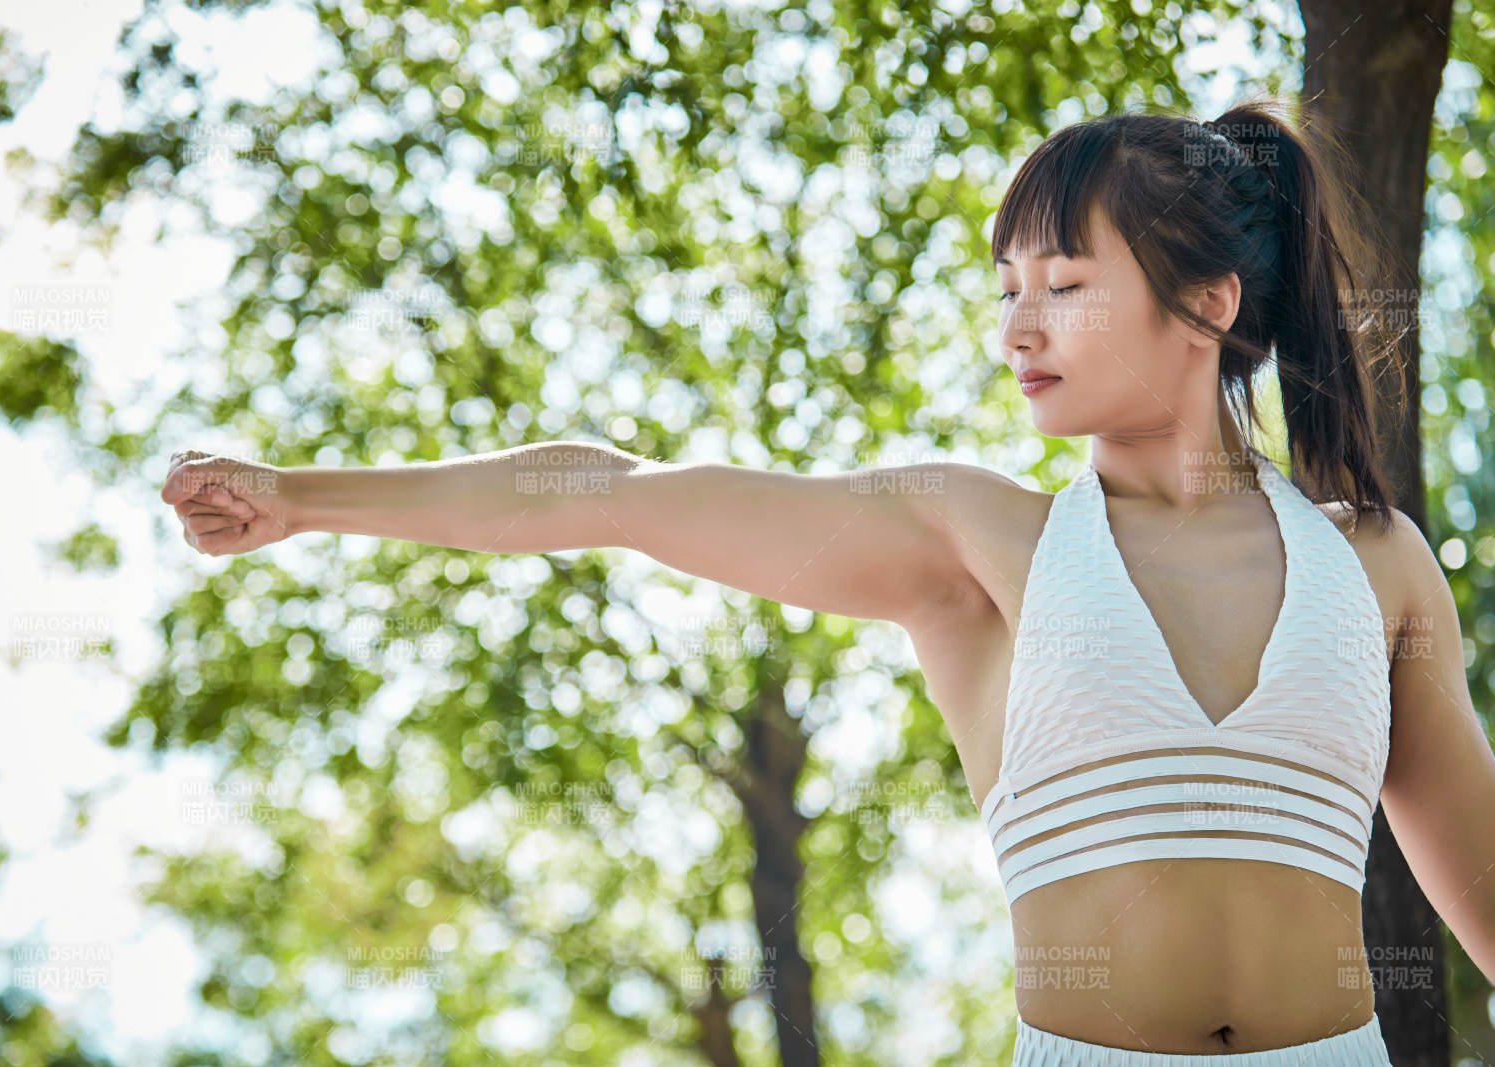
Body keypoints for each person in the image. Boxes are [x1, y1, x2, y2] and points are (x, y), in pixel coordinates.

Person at [161, 97, 1495, 1065]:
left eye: (1066, 284)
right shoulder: (979, 541)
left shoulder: (1372, 564)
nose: (1017, 327)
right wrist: (302, 497)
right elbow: (609, 493)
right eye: (1006, 287)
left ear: (1206, 302)